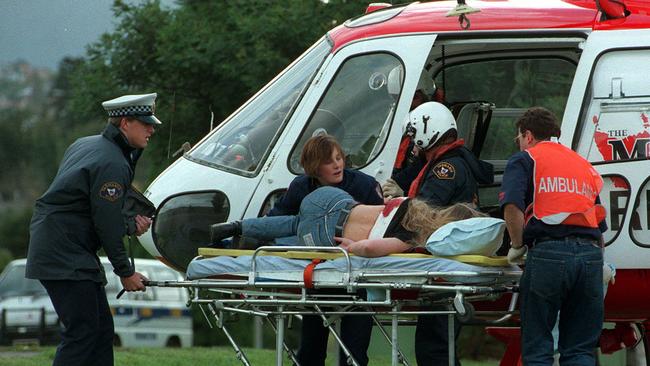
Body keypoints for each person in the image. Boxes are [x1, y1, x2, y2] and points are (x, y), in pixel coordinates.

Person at [212, 134, 382, 366]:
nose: (337, 164)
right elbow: (278, 221)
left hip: (356, 274)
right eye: (329, 161)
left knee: (354, 355)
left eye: (339, 158)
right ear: (314, 167)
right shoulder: (302, 187)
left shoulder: (363, 185)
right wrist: (236, 233)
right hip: (317, 275)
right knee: (310, 352)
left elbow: (381, 224)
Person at [25, 93, 162, 366]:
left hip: (62, 248)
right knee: (83, 333)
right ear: (125, 123)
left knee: (100, 331)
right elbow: (105, 223)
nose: (152, 129)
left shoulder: (86, 145)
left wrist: (127, 223)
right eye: (145, 123)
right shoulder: (112, 162)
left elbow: (86, 210)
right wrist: (126, 272)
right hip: (65, 254)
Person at [384, 101, 494, 366]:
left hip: (445, 267)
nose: (414, 145)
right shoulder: (446, 161)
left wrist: (403, 199)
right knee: (437, 347)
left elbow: (427, 211)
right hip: (447, 265)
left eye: (415, 138)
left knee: (435, 349)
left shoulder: (446, 168)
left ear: (427, 131)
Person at [500, 107, 606, 365]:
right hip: (591, 256)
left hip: (549, 254)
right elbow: (598, 221)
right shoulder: (583, 165)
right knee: (580, 350)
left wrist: (517, 245)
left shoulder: (526, 159)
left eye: (519, 139)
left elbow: (511, 207)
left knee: (538, 349)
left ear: (527, 135)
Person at [210, 186, 484, 256]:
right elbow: (368, 249)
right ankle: (247, 246)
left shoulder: (412, 204)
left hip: (329, 199)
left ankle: (237, 226)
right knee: (294, 238)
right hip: (328, 231)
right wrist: (351, 247)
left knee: (294, 221)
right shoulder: (411, 238)